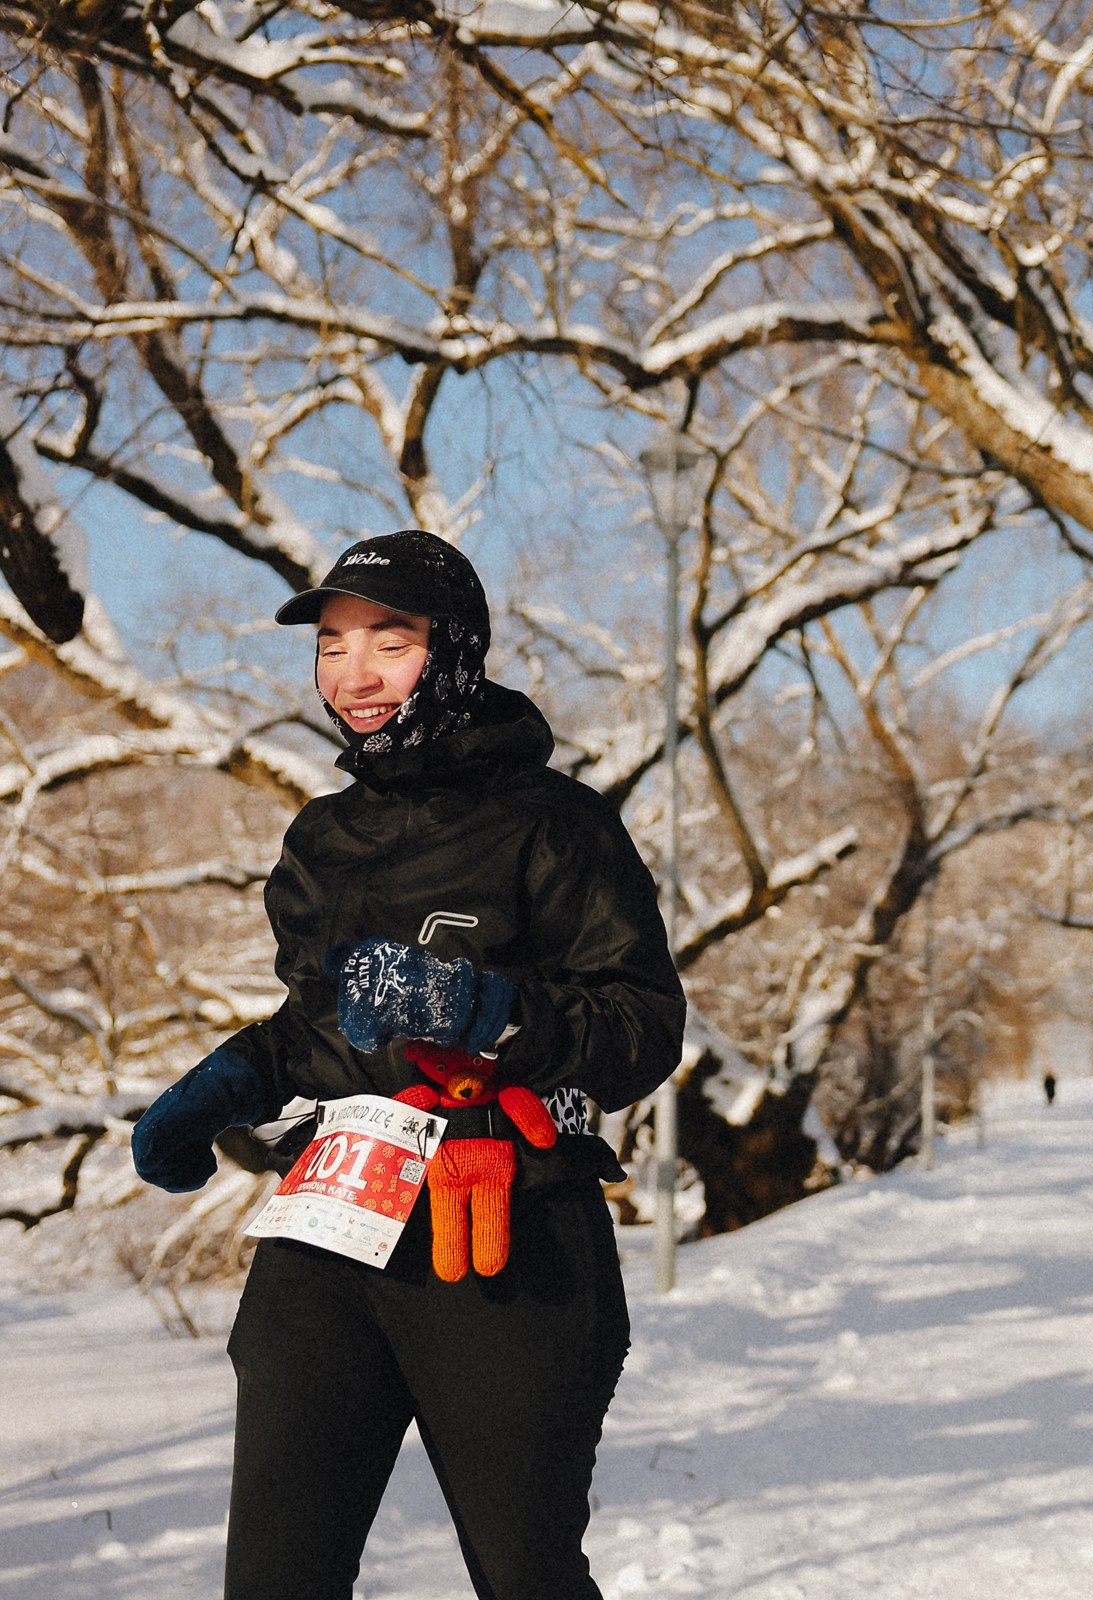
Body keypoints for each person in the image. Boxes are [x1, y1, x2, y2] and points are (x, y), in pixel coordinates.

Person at [130, 529, 685, 1600]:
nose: (355, 672)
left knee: (524, 1575)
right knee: (274, 1579)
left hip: (505, 1235)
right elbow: (326, 1028)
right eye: (333, 646)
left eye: (390, 640)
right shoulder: (321, 840)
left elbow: (641, 1027)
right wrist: (235, 1079)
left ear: (457, 649)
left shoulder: (555, 825)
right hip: (331, 1230)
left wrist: (485, 1009)